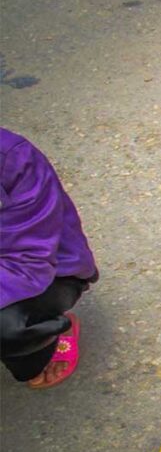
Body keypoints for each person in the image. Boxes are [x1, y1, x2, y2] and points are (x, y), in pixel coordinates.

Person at [0, 128, 98, 388]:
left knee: (8, 329)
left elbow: (27, 261)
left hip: (42, 271)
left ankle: (49, 332)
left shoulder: (11, 159)